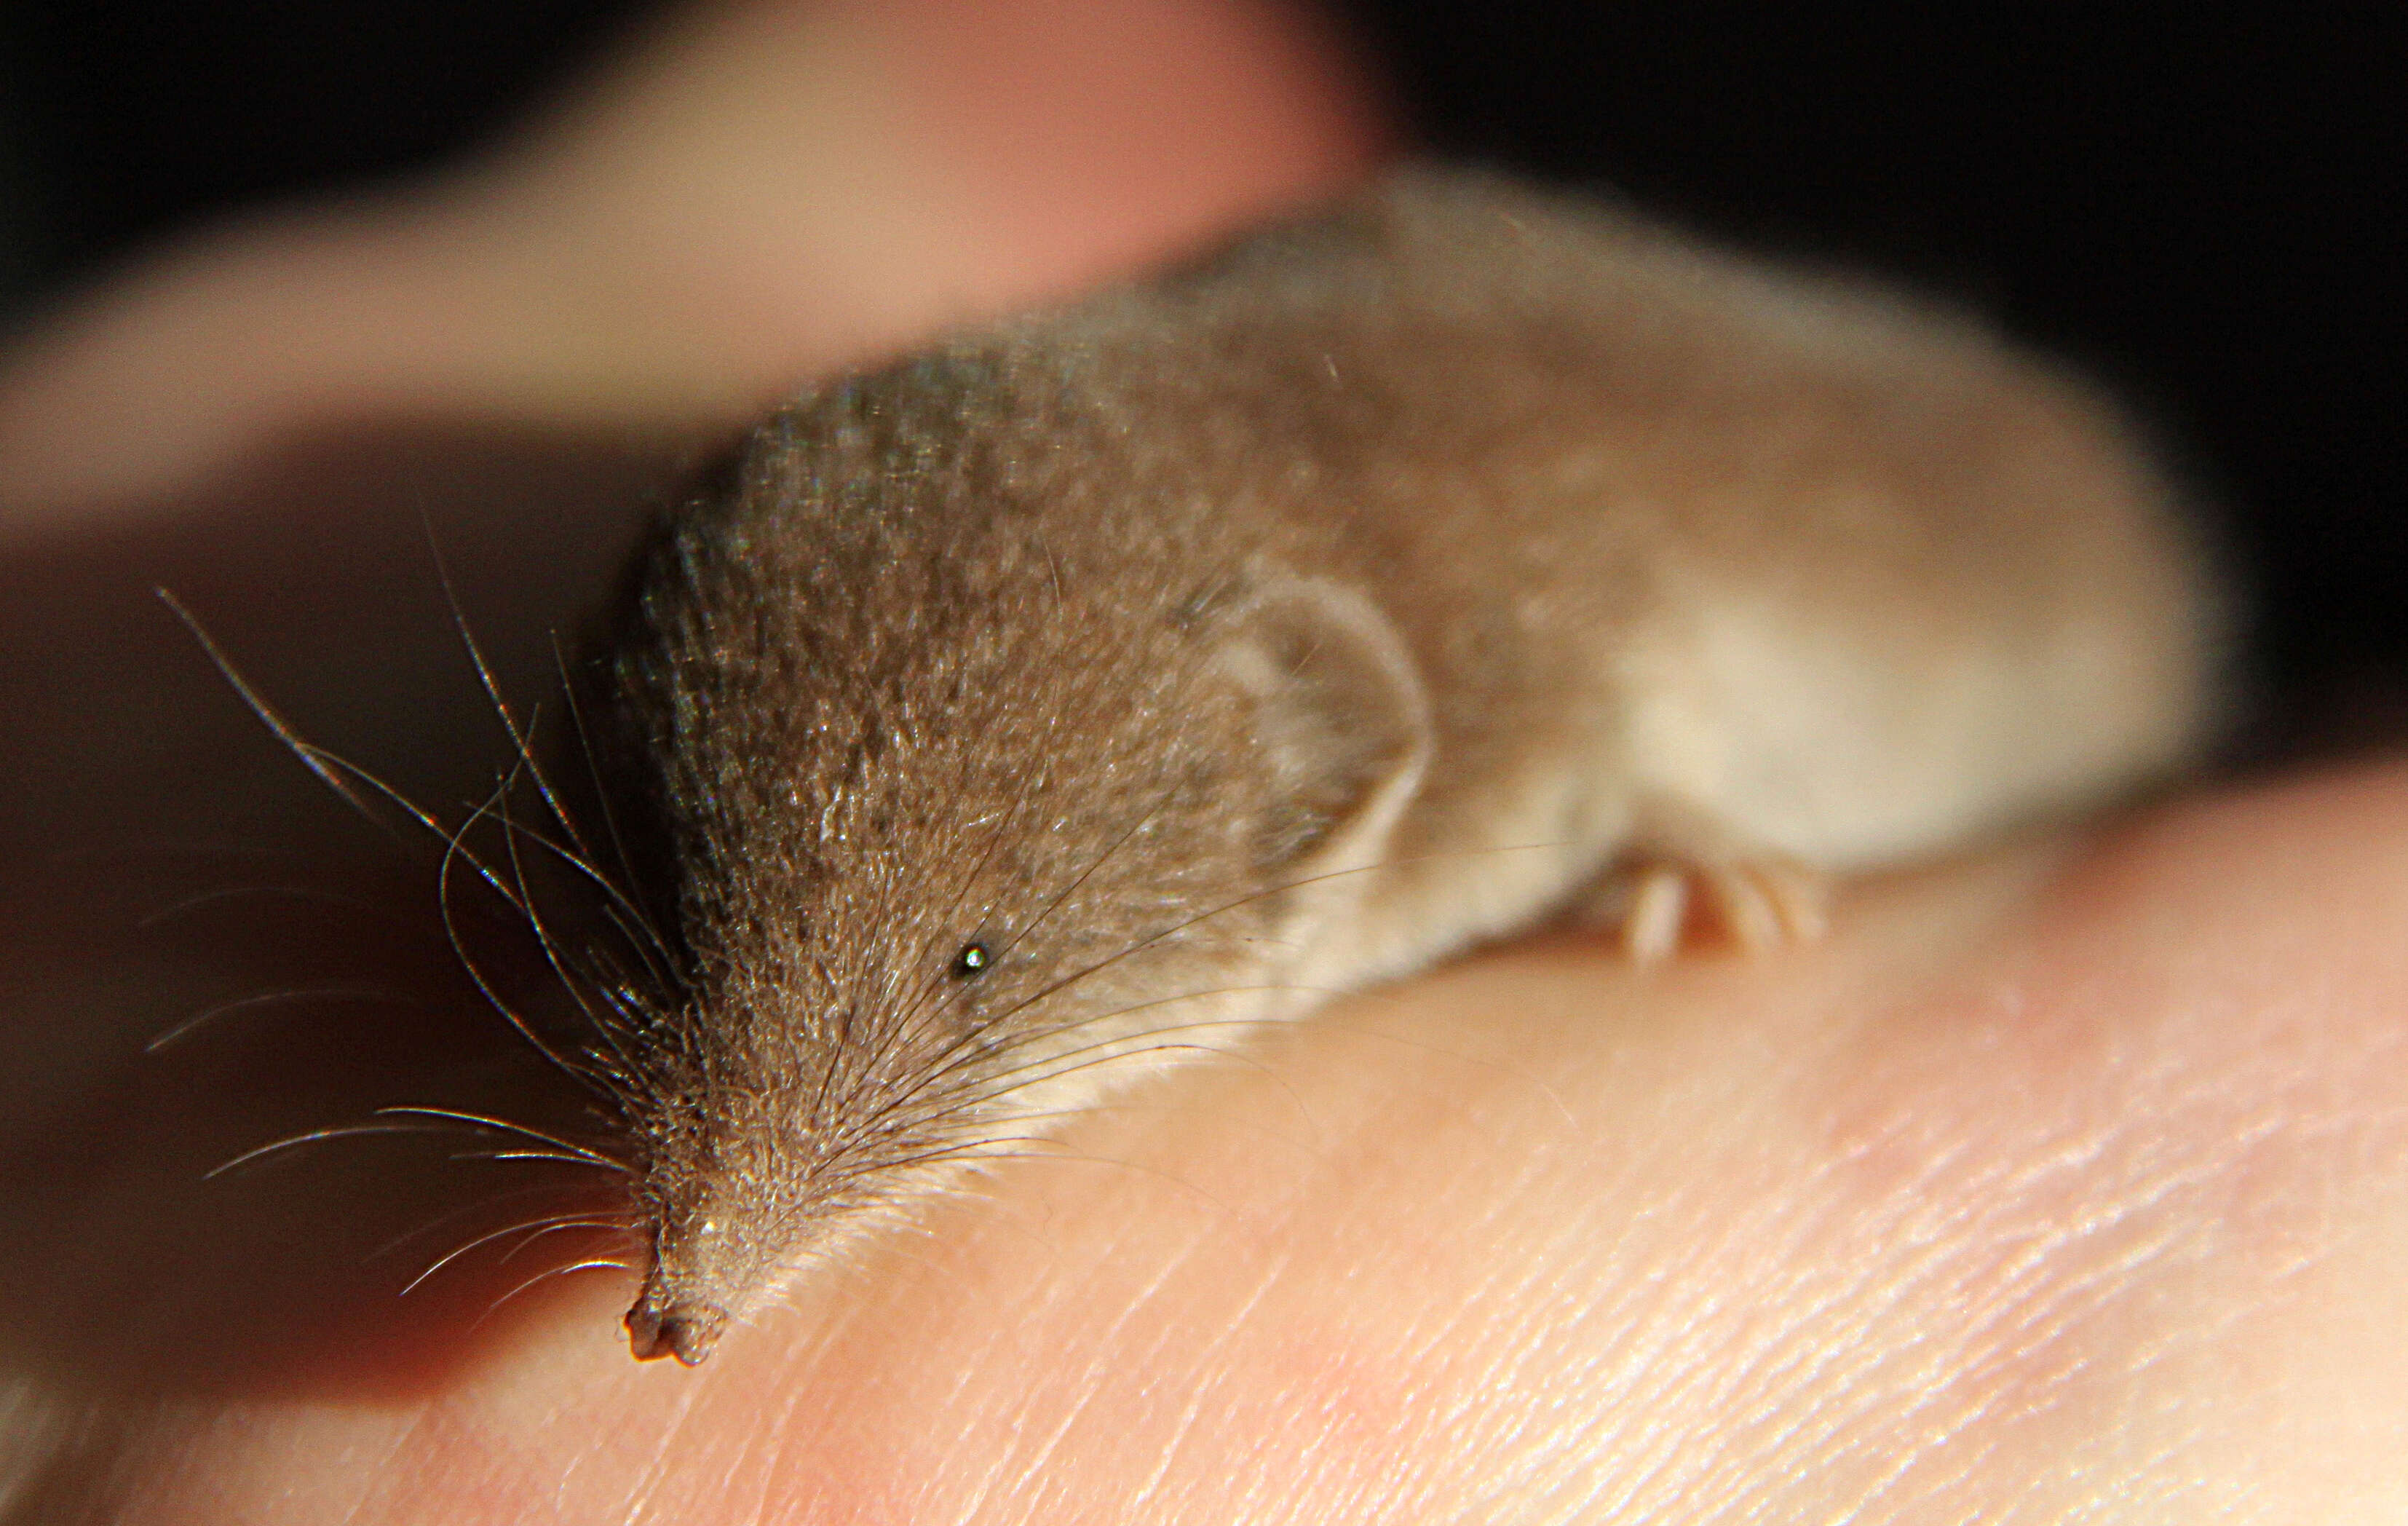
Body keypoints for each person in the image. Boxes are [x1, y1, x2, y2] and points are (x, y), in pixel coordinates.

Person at [1, 1, 2401, 1518]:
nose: (695, 1238)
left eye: (966, 971)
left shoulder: (1455, 699)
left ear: (1329, 781)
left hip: (2086, 598)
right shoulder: (870, 563)